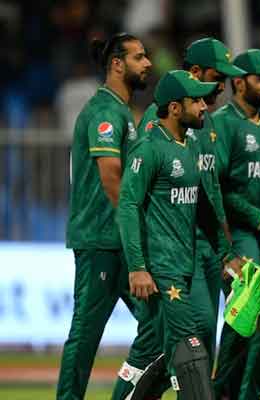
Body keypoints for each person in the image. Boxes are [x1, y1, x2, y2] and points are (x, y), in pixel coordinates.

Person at [111, 37, 247, 400]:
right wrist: (138, 267)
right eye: (197, 100)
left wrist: (224, 254)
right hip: (160, 270)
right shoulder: (150, 147)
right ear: (174, 107)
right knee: (191, 351)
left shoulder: (187, 145)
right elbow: (127, 206)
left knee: (163, 349)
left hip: (184, 266)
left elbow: (205, 205)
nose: (206, 105)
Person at [59, 32, 151, 400]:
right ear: (117, 64)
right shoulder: (105, 111)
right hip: (101, 239)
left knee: (156, 325)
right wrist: (137, 227)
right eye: (139, 57)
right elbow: (111, 176)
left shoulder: (121, 111)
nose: (147, 64)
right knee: (86, 334)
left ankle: (129, 392)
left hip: (118, 241)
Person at [211, 48, 260, 399]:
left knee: (259, 322)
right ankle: (220, 391)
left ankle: (236, 391)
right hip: (237, 234)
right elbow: (218, 189)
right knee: (246, 313)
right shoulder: (223, 123)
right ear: (239, 82)